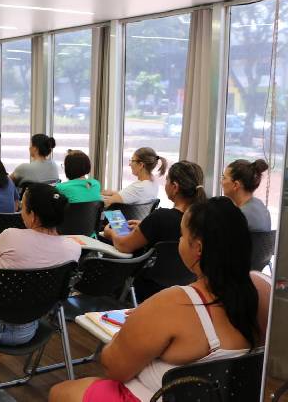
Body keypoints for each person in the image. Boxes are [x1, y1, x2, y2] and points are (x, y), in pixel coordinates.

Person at [49, 197, 265, 402]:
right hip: (226, 395)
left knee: (59, 391)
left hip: (153, 396)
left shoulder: (175, 303)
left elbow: (114, 368)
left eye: (182, 235)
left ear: (197, 247)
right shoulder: (263, 288)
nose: (180, 241)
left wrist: (123, 335)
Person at [0, 183, 81, 376]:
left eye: (23, 206)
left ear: (33, 215)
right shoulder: (73, 249)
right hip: (28, 329)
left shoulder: (10, 236)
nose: (19, 210)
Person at [103, 161, 206, 301]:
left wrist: (111, 234)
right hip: (187, 287)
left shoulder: (161, 217)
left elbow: (124, 245)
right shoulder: (204, 218)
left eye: (167, 180)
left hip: (151, 288)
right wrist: (145, 226)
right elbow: (171, 230)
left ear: (175, 187)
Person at [221, 159, 272, 232]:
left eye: (224, 178)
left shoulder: (238, 217)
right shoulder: (260, 205)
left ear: (236, 185)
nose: (221, 182)